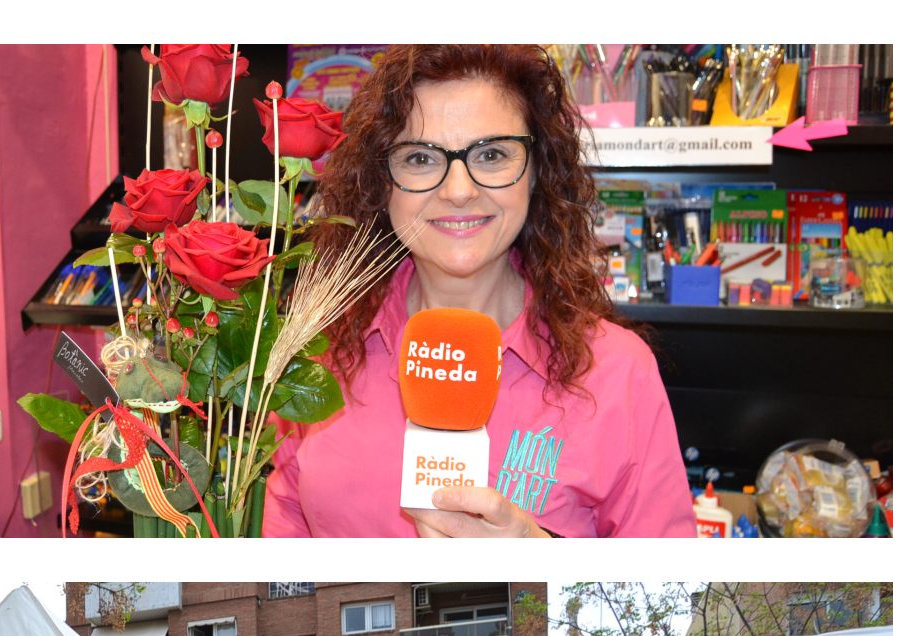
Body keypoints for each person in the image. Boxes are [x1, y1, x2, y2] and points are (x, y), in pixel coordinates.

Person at [269, 44, 691, 538]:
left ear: (536, 171)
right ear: (382, 183)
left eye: (491, 154)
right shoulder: (321, 351)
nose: (458, 190)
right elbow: (281, 523)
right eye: (421, 158)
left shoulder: (618, 372)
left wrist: (542, 555)